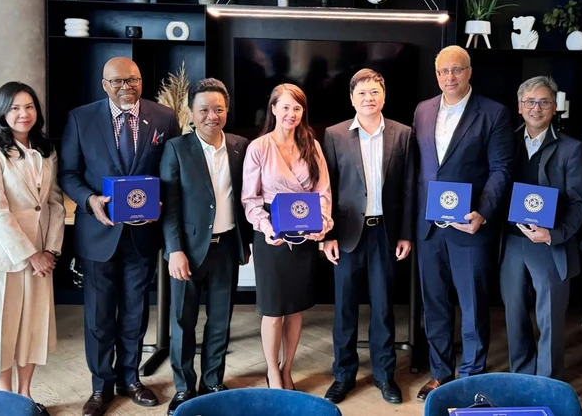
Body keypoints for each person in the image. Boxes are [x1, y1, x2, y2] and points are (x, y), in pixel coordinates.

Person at [58, 57, 181, 416]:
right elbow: (68, 173)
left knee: (135, 311)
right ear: (104, 84)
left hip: (143, 235)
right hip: (100, 232)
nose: (126, 87)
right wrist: (88, 199)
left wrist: (162, 198)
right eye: (117, 82)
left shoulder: (163, 118)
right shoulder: (82, 118)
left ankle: (131, 378)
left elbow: (172, 169)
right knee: (98, 315)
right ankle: (101, 386)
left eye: (133, 80)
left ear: (142, 81)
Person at [412, 46, 513, 401]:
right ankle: (441, 374)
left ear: (469, 72)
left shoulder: (494, 113)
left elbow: (501, 169)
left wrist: (483, 211)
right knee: (434, 304)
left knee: (472, 305)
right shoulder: (423, 110)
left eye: (456, 70)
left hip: (469, 226)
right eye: (443, 72)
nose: (449, 78)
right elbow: (421, 170)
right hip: (429, 228)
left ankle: (471, 377)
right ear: (436, 74)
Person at [321, 69, 416, 405]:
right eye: (361, 93)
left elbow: (408, 188)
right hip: (346, 235)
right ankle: (343, 375)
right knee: (344, 310)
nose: (368, 98)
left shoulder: (403, 134)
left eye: (374, 92)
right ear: (351, 98)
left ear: (384, 96)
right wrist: (327, 233)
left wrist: (406, 233)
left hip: (386, 234)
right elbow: (326, 187)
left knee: (383, 309)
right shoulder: (333, 135)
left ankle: (384, 375)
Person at [0, 81, 64, 415]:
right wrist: (30, 254)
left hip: (41, 255)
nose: (23, 114)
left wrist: (50, 251)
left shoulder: (46, 149)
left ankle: (25, 399)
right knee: (1, 329)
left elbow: (54, 203)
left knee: (32, 328)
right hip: (0, 254)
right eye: (14, 108)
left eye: (29, 107)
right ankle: (5, 402)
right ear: (2, 112)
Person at [160, 78, 253, 415]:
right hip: (187, 249)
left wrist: (248, 242)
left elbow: (246, 198)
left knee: (219, 321)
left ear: (226, 111)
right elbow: (169, 206)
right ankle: (184, 388)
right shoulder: (176, 148)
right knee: (182, 322)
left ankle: (213, 382)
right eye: (204, 110)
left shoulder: (241, 146)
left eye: (218, 109)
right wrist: (174, 250)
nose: (211, 116)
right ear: (191, 113)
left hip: (227, 247)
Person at [241, 83, 334, 390]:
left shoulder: (312, 144)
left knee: (295, 308)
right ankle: (271, 371)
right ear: (273, 108)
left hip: (305, 236)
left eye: (297, 108)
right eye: (285, 107)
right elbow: (250, 200)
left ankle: (287, 367)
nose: (291, 114)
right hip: (272, 237)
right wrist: (268, 228)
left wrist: (321, 223)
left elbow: (322, 191)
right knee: (273, 310)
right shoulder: (259, 147)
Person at [500, 76, 582, 380]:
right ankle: (521, 378)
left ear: (554, 108)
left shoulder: (572, 149)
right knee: (514, 313)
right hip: (511, 242)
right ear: (520, 107)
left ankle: (548, 383)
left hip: (550, 244)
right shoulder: (505, 142)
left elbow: (579, 202)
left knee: (549, 317)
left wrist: (555, 234)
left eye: (544, 102)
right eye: (530, 102)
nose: (537, 108)